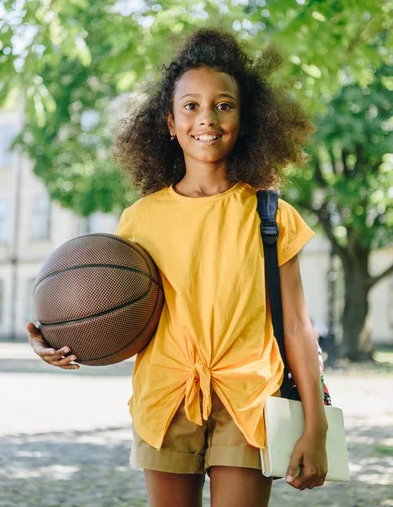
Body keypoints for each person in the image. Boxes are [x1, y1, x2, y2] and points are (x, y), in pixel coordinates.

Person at [27, 27, 328, 507]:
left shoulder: (271, 214)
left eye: (224, 105)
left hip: (248, 399)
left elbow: (296, 327)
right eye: (190, 106)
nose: (206, 118)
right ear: (168, 122)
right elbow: (120, 314)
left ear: (246, 119)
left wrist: (316, 427)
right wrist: (64, 339)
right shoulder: (140, 219)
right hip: (165, 399)